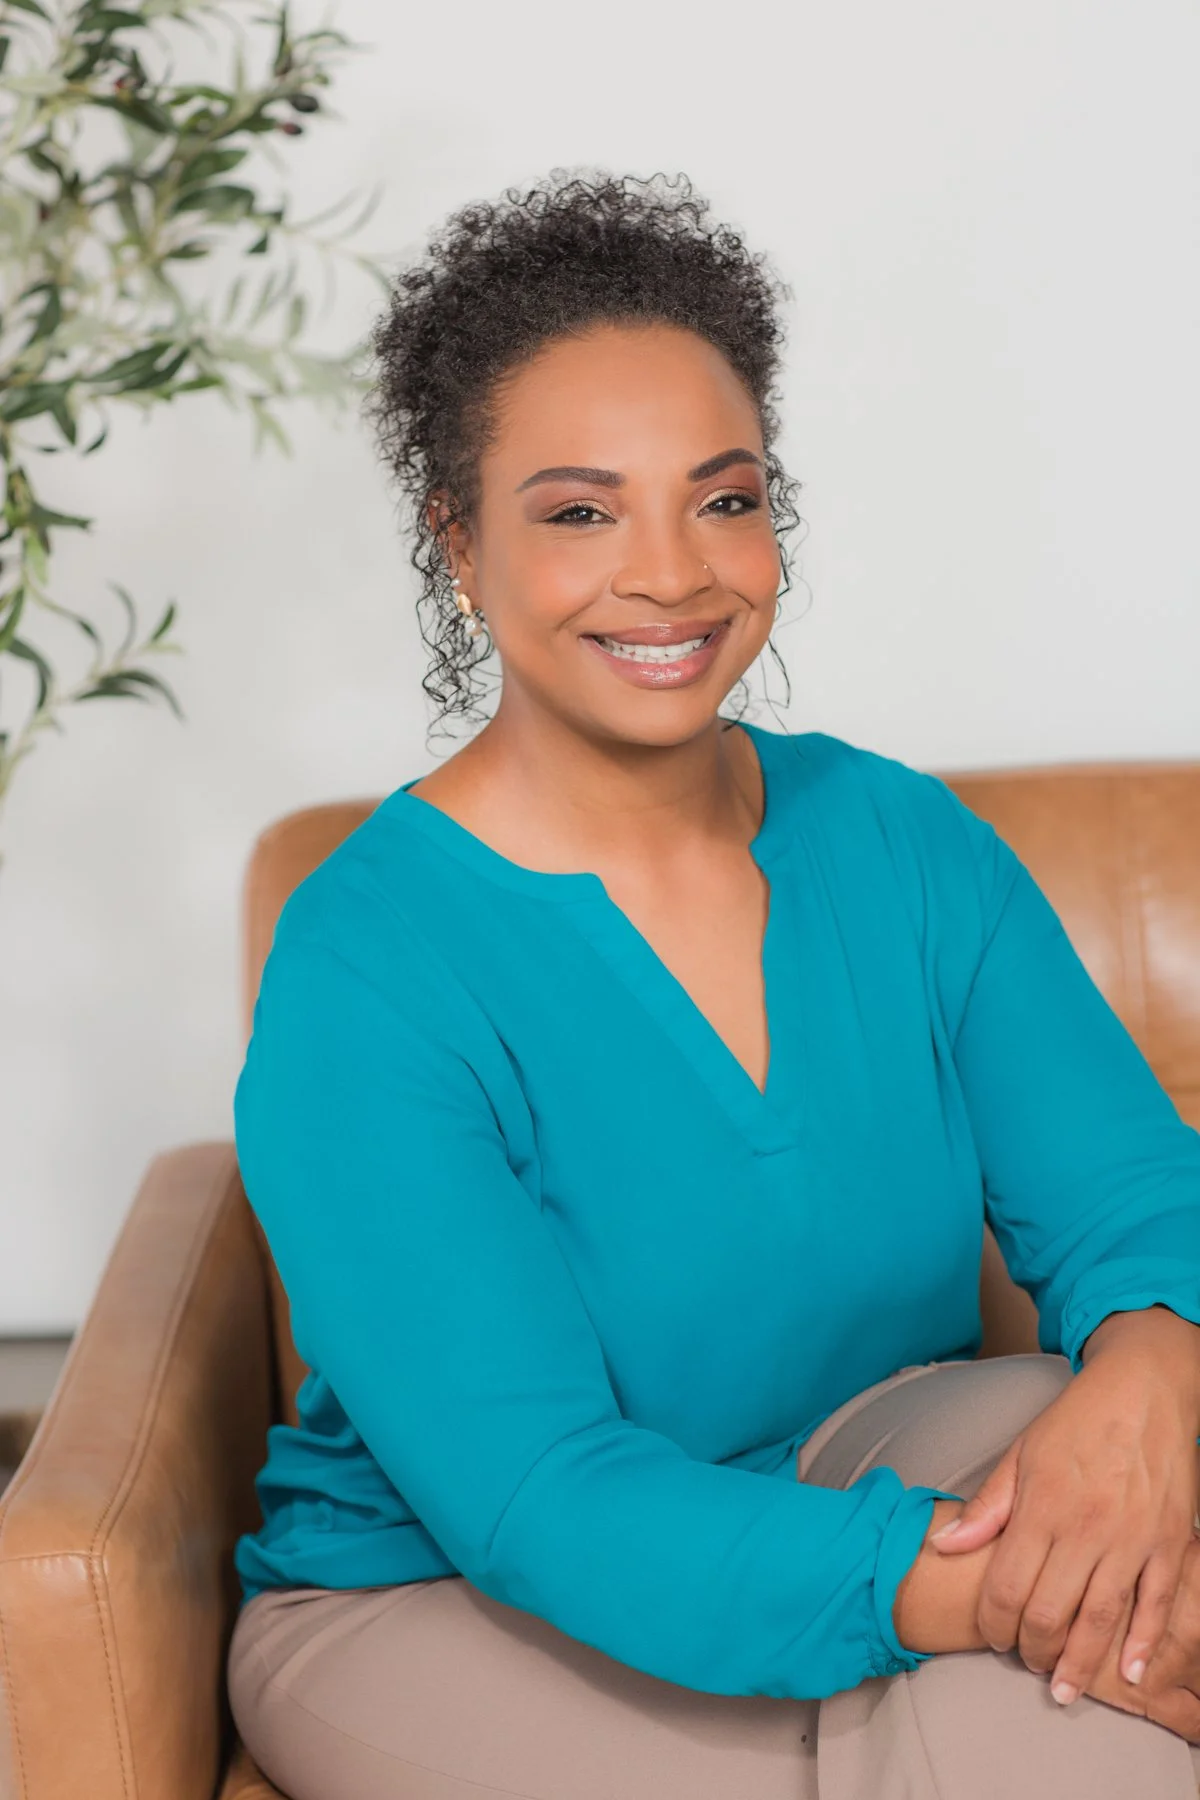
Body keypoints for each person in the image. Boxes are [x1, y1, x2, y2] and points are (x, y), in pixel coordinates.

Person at [226, 170, 1200, 1799]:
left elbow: (1124, 1198)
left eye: (725, 498)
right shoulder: (364, 973)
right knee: (1052, 1686)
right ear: (460, 545)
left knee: (1064, 1421)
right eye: (581, 511)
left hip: (868, 1451)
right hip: (457, 1591)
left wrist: (1156, 1380)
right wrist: (1016, 1601)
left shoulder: (898, 839)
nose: (672, 575)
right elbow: (541, 1492)